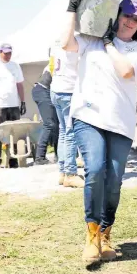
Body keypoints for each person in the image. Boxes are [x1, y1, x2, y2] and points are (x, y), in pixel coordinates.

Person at [61, 0, 137, 263]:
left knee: (114, 181)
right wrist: (71, 7)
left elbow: (126, 72)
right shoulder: (90, 40)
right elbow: (66, 43)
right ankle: (91, 238)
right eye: (126, 15)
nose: (130, 22)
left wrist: (109, 45)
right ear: (116, 15)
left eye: (136, 19)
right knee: (94, 169)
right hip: (88, 116)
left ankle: (105, 234)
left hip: (121, 123)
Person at [50, 47, 84, 187]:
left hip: (56, 89)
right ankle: (70, 173)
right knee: (70, 133)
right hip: (68, 91)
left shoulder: (56, 44)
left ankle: (63, 172)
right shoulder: (76, 45)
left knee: (63, 132)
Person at [32, 59, 59, 166]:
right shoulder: (58, 61)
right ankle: (40, 157)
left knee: (57, 124)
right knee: (49, 124)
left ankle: (59, 155)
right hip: (43, 91)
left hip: (45, 90)